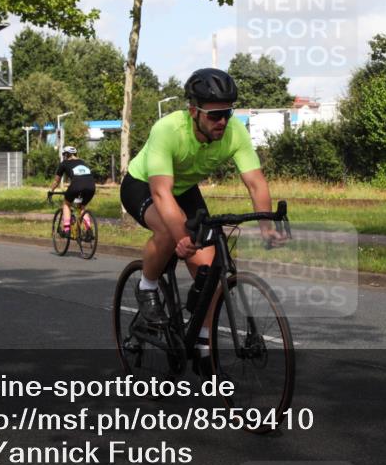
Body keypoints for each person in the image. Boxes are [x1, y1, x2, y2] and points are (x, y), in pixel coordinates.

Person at [120, 68, 287, 325]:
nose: (222, 122)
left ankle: (202, 346)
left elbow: (256, 183)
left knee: (209, 275)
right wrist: (182, 238)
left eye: (227, 113)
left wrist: (266, 227)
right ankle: (147, 286)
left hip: (184, 190)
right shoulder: (168, 130)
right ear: (194, 112)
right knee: (168, 231)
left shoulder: (234, 133)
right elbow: (161, 192)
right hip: (143, 185)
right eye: (215, 115)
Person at [49, 146, 96, 237]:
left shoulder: (64, 163)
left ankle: (66, 229)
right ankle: (88, 229)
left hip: (76, 186)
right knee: (82, 207)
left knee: (66, 204)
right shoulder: (83, 162)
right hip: (91, 187)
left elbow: (56, 181)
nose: (64, 156)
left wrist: (51, 190)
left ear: (66, 154)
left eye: (64, 154)